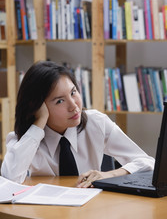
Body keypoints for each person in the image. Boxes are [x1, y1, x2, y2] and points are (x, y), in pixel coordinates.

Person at [1, 60, 154, 187]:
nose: (74, 106)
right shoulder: (26, 138)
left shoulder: (96, 123)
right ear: (38, 106)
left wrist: (109, 175)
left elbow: (147, 162)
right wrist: (39, 122)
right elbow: (9, 181)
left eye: (73, 92)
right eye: (60, 101)